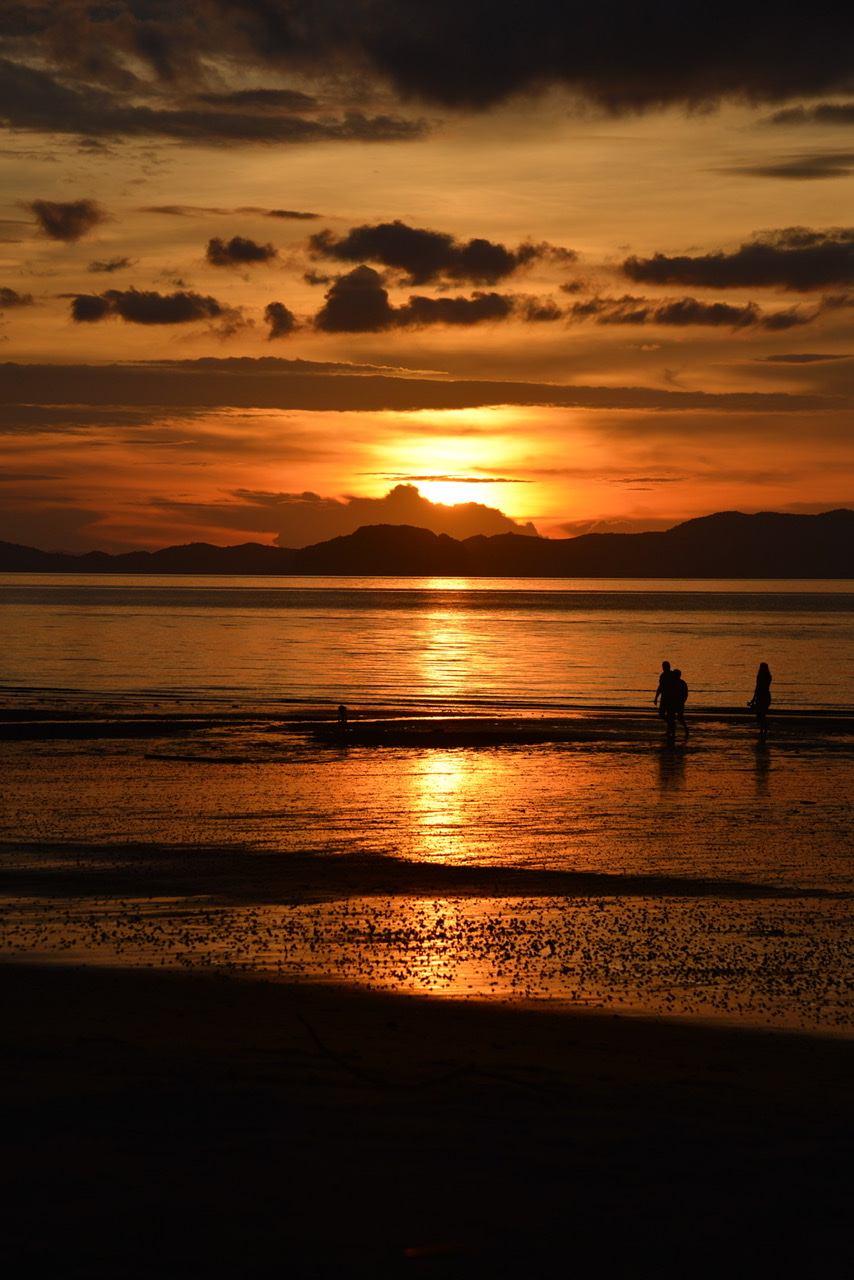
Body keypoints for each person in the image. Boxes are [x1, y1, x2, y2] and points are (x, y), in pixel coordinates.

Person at [661, 667, 689, 741]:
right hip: (672, 703)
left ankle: (686, 729)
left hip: (678, 703)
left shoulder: (682, 683)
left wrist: (682, 701)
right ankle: (672, 732)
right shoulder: (672, 683)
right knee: (671, 718)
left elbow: (685, 694)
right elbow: (668, 693)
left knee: (679, 718)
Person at [748, 662, 772, 740]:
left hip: (761, 696)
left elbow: (757, 687)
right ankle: (763, 729)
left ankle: (763, 729)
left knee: (760, 714)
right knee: (762, 714)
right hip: (766, 695)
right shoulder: (769, 676)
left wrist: (753, 698)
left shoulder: (760, 676)